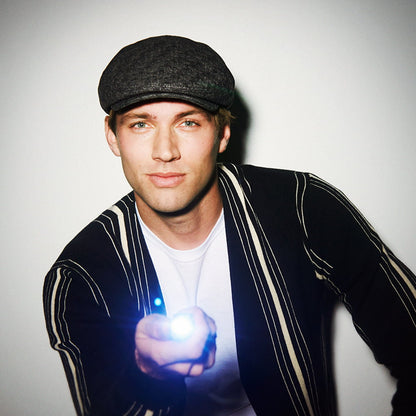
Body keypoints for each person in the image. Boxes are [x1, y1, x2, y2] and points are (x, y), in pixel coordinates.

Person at [43, 35, 416, 416]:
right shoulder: (80, 277)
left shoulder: (301, 208)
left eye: (188, 122)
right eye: (141, 124)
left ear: (222, 134)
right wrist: (148, 375)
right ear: (112, 136)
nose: (165, 151)